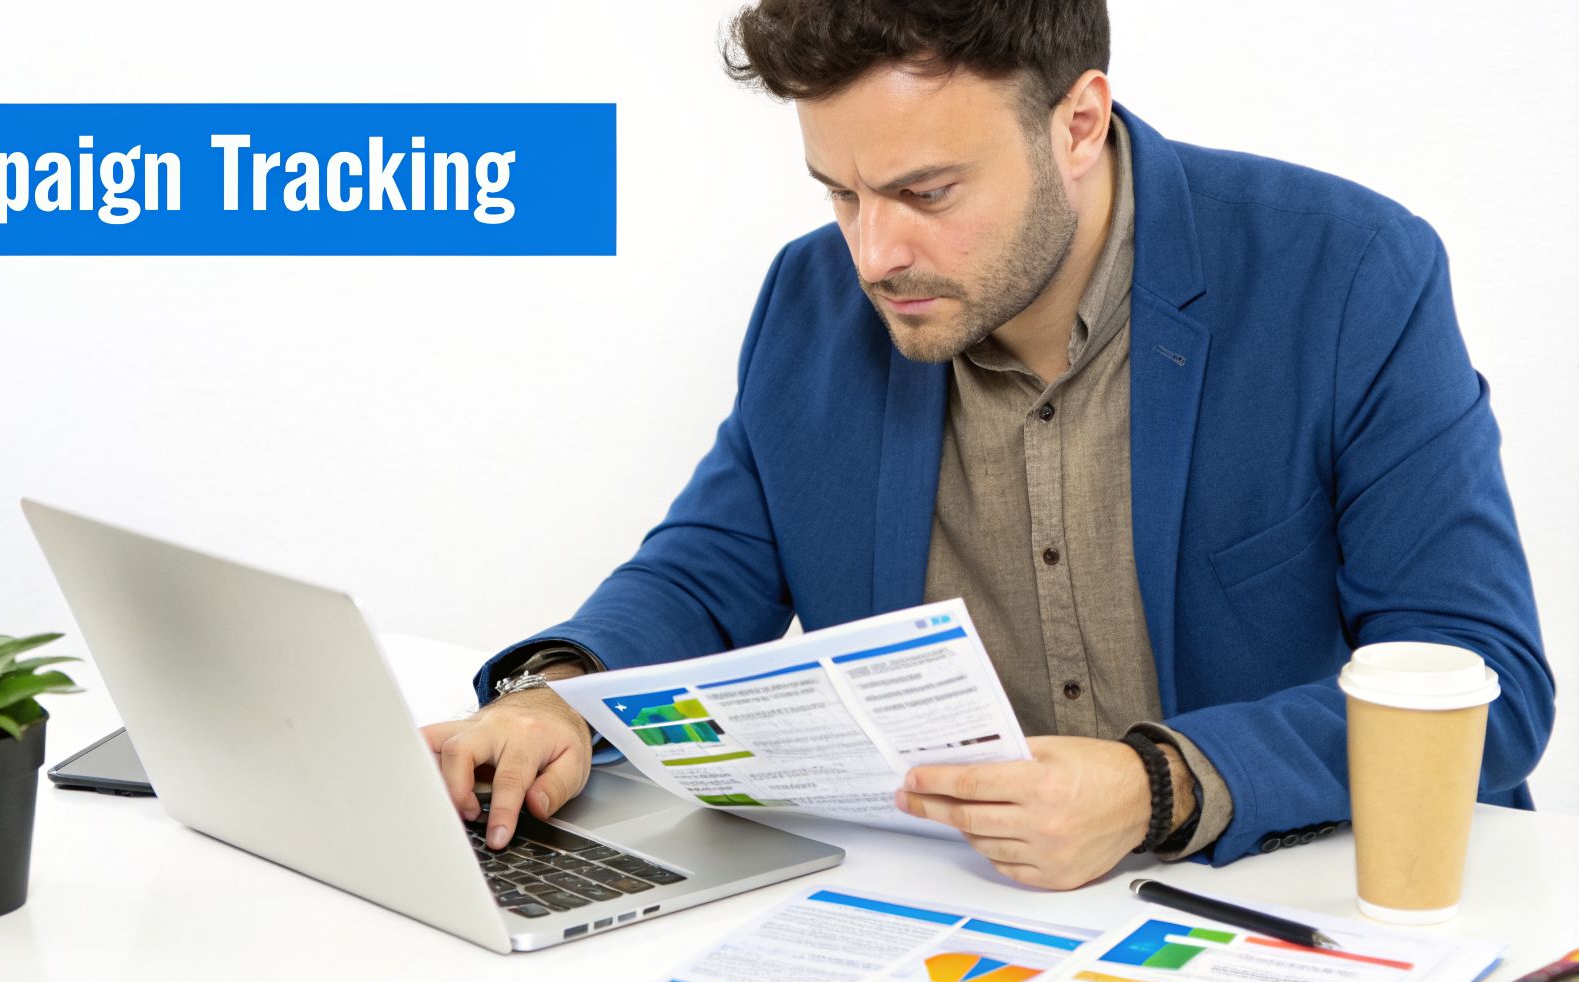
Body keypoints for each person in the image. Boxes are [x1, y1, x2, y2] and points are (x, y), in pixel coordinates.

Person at [419, 0, 1554, 890]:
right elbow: (706, 569)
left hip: (1293, 911)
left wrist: (1157, 785)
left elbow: (1482, 680)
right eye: (840, 194)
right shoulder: (812, 303)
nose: (873, 254)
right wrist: (553, 694)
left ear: (1076, 122)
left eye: (923, 191)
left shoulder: (1345, 273)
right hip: (956, 922)